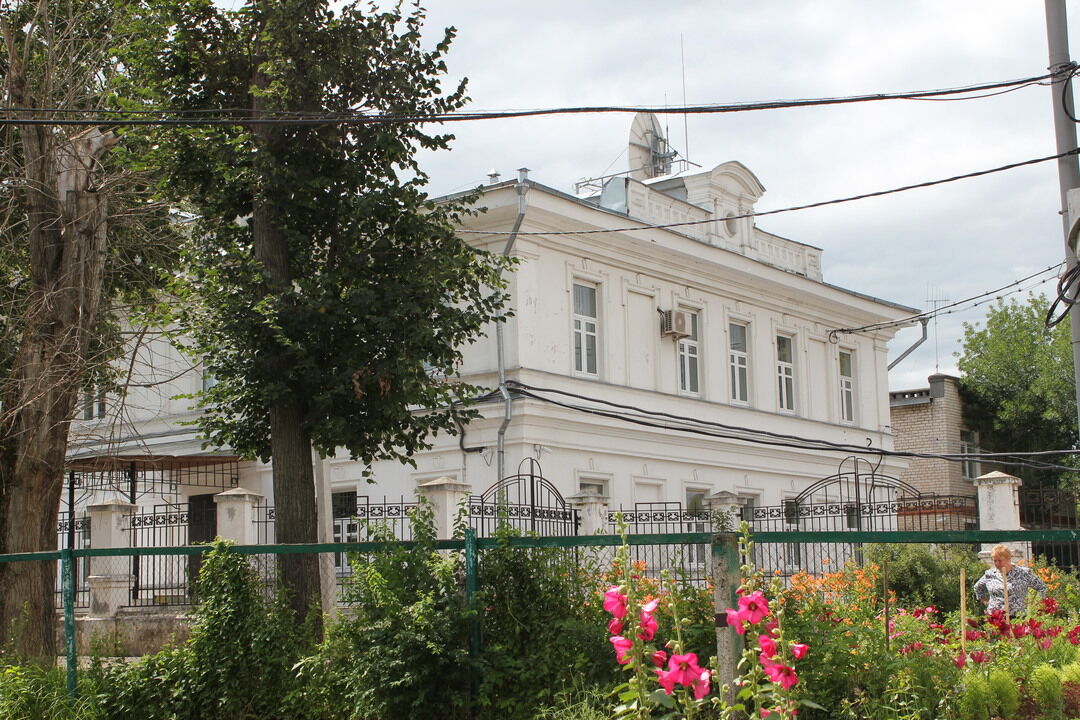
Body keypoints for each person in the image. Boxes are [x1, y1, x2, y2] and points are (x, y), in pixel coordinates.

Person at [973, 545, 1047, 618]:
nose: (997, 563)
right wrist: (986, 602)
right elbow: (977, 587)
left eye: (1000, 560)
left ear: (1008, 559)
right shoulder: (990, 574)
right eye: (995, 560)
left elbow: (1042, 588)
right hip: (995, 617)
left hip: (1017, 616)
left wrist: (1036, 604)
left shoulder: (1024, 573)